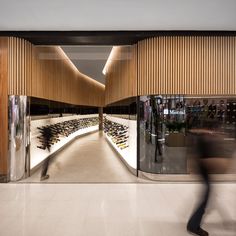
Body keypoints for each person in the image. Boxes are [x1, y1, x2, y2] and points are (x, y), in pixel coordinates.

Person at [186, 121, 225, 236]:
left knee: (206, 197)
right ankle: (193, 225)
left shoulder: (203, 138)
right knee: (205, 198)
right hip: (203, 172)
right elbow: (203, 159)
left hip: (204, 173)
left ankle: (194, 224)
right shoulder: (204, 140)